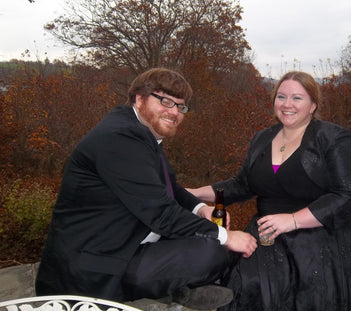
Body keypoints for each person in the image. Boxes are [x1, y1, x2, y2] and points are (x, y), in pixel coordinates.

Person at [35, 67, 258, 309]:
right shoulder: (120, 138)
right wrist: (226, 237)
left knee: (207, 245)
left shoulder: (140, 133)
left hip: (125, 245)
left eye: (180, 106)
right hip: (93, 266)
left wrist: (200, 209)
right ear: (139, 98)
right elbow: (161, 212)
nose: (174, 112)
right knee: (213, 251)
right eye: (165, 101)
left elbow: (170, 186)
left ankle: (175, 290)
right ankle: (169, 291)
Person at [188, 71, 351, 310]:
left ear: (313, 105)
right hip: (269, 239)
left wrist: (292, 220)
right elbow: (241, 185)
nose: (287, 104)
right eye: (281, 96)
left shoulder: (333, 138)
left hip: (323, 244)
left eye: (297, 98)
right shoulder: (262, 138)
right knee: (249, 290)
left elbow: (349, 194)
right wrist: (193, 193)